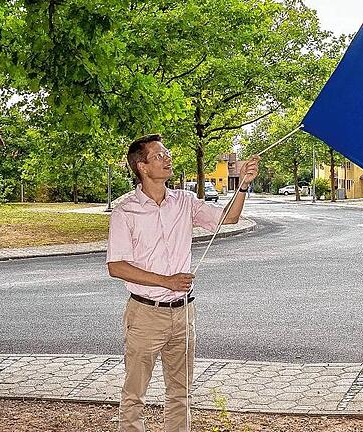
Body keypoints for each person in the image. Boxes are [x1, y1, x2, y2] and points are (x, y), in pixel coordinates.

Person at [106, 134, 259, 432]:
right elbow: (116, 266)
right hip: (145, 314)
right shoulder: (125, 211)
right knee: (134, 394)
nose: (168, 159)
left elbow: (229, 218)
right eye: (159, 155)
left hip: (183, 313)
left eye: (168, 153)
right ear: (142, 167)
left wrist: (242, 185)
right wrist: (167, 281)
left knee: (180, 394)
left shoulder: (185, 201)